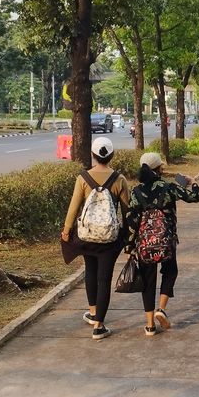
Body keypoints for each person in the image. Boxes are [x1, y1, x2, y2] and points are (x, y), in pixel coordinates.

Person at [60, 137, 131, 340]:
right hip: (109, 238)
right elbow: (127, 212)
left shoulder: (83, 178)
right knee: (104, 279)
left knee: (90, 272)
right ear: (112, 155)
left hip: (87, 236)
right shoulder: (119, 179)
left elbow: (73, 208)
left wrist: (66, 231)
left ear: (93, 155)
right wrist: (129, 238)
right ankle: (98, 325)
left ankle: (93, 313)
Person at [127, 152, 199, 336]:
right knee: (170, 272)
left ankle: (149, 326)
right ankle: (161, 309)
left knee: (147, 281)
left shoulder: (136, 192)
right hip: (166, 240)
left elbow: (131, 221)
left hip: (145, 244)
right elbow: (196, 196)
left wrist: (130, 246)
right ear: (159, 169)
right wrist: (192, 182)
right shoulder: (168, 187)